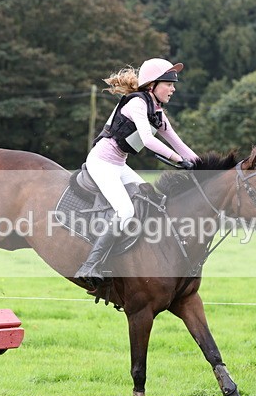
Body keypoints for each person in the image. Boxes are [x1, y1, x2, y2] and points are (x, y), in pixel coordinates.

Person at [74, 58, 200, 287]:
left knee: (152, 200)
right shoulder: (137, 104)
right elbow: (148, 140)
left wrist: (207, 168)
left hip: (119, 166)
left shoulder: (157, 112)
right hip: (101, 163)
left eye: (174, 85)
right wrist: (178, 160)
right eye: (169, 84)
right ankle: (90, 265)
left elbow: (179, 144)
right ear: (152, 85)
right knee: (125, 211)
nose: (173, 89)